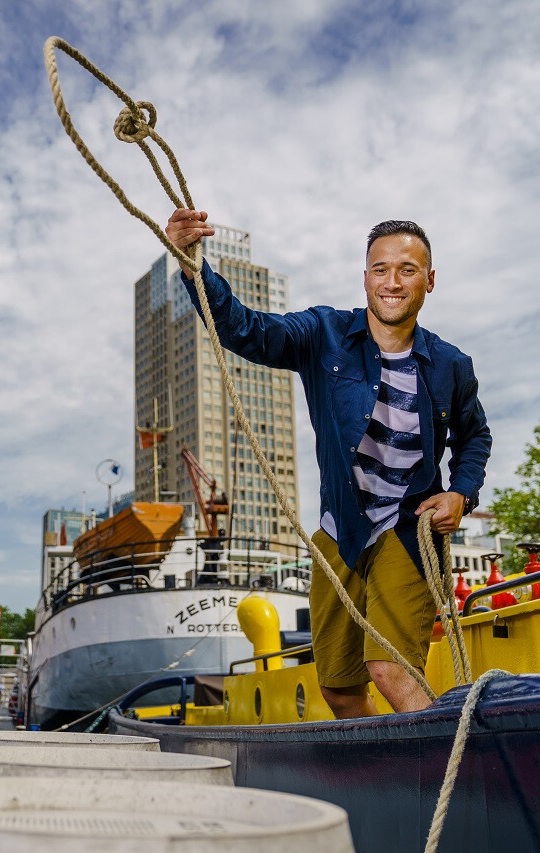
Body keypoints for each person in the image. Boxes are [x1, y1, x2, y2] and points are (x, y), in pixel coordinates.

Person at [164, 210, 491, 718]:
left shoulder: (451, 364)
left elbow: (474, 437)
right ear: (365, 278)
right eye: (380, 269)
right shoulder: (325, 333)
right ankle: (390, 782)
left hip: (407, 530)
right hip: (340, 529)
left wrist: (460, 493)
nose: (392, 281)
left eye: (407, 269)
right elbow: (245, 329)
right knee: (338, 688)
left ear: (430, 280)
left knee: (390, 670)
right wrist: (193, 267)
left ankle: (460, 783)